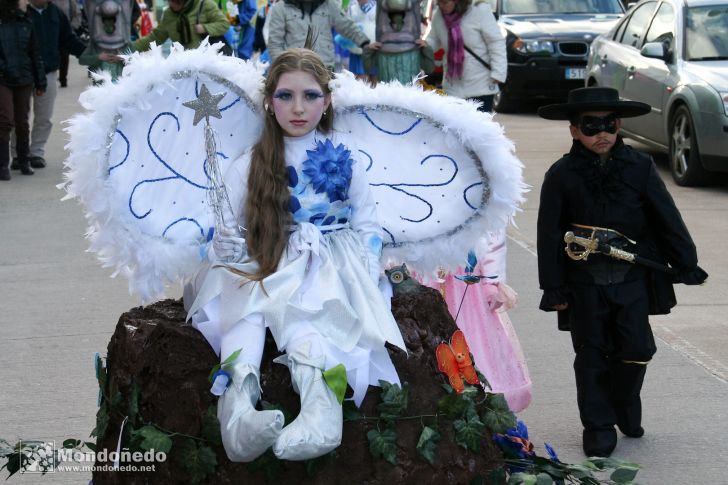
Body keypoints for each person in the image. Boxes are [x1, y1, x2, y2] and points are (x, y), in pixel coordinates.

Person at [186, 48, 406, 462]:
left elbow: (368, 223)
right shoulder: (249, 163)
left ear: (327, 101)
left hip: (327, 258)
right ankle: (237, 408)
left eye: (310, 96)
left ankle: (321, 411)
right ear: (269, 101)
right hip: (264, 255)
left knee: (308, 308)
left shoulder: (345, 158)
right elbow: (223, 229)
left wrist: (365, 264)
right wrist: (222, 245)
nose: (298, 108)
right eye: (286, 96)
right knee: (244, 304)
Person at [536, 87, 708, 457]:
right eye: (591, 125)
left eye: (609, 124)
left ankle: (625, 403)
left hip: (632, 279)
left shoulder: (639, 167)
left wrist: (686, 260)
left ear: (619, 126)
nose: (602, 133)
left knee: (637, 348)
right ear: (573, 130)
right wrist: (553, 286)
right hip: (584, 282)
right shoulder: (561, 174)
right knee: (591, 353)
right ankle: (598, 425)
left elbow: (666, 217)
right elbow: (549, 234)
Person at [429, 231, 532, 412]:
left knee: (472, 339)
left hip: (465, 277)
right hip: (424, 268)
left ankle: (477, 404)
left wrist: (492, 279)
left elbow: (491, 229)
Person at [9, 0, 84, 173]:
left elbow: (68, 39)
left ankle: (36, 152)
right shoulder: (20, 12)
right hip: (23, 73)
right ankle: (17, 154)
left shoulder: (55, 13)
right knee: (20, 117)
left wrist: (90, 55)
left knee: (44, 117)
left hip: (48, 71)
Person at [424, 0, 506, 112]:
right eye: (439, 3)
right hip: (453, 83)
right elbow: (433, 39)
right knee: (455, 126)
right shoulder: (438, 15)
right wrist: (425, 44)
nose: (441, 6)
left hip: (481, 82)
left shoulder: (479, 10)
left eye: (445, 3)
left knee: (479, 126)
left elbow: (495, 42)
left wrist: (498, 72)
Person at [0, 0, 47, 180]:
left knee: (22, 121)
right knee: (5, 120)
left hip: (24, 78)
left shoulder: (26, 22)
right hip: (3, 78)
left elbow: (35, 53)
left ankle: (23, 160)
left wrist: (40, 81)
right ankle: (3, 164)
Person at [266, 0, 374, 70]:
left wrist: (365, 43)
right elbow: (275, 43)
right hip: (294, 68)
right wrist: (280, 67)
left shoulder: (329, 5)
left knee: (326, 103)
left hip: (324, 66)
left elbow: (347, 26)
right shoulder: (280, 8)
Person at [132, 0, 229, 52]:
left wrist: (205, 28)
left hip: (208, 61)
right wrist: (128, 50)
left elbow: (224, 24)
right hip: (183, 65)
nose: (171, 4)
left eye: (175, 1)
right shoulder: (168, 14)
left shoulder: (205, 5)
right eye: (169, 1)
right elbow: (155, 37)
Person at [51, 0, 82, 87]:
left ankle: (63, 78)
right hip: (52, 32)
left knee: (64, 55)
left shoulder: (70, 1)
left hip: (66, 31)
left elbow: (77, 14)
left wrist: (72, 27)